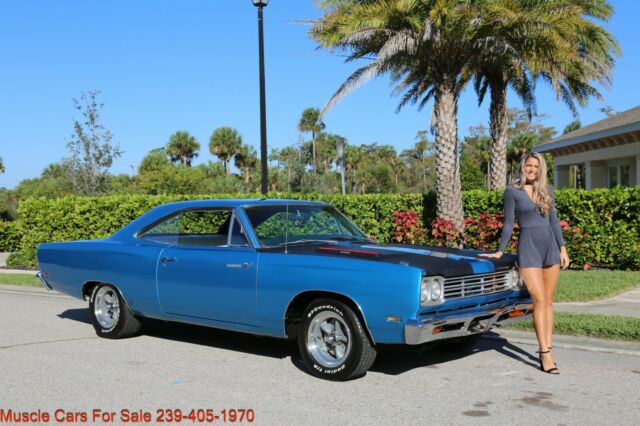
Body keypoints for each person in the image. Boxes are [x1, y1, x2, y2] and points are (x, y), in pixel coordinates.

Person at [480, 152, 569, 374]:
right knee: (538, 300)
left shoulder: (547, 190)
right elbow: (509, 224)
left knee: (548, 301)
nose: (532, 170)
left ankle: (548, 347)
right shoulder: (513, 191)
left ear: (541, 169)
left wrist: (563, 248)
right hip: (528, 248)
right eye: (528, 166)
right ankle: (544, 354)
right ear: (523, 167)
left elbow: (554, 221)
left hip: (550, 248)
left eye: (536, 167)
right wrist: (500, 251)